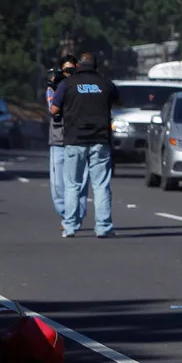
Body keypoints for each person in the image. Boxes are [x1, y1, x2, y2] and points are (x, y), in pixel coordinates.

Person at [50, 52, 120, 238]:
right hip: (100, 140)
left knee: (72, 184)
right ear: (96, 66)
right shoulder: (105, 83)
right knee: (101, 185)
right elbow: (119, 101)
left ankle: (70, 227)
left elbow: (54, 109)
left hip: (74, 140)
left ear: (78, 66)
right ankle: (104, 227)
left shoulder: (68, 84)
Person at [46, 56, 88, 228]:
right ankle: (66, 214)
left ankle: (75, 216)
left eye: (72, 70)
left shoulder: (83, 87)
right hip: (58, 139)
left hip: (79, 138)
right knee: (58, 184)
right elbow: (53, 110)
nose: (69, 74)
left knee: (80, 181)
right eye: (66, 71)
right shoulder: (54, 88)